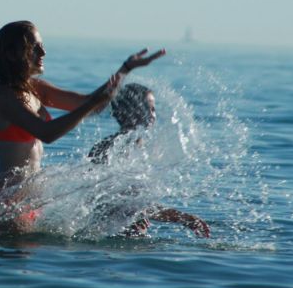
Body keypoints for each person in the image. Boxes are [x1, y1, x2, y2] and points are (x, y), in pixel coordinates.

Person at [0, 20, 165, 231]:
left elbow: (91, 104)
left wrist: (125, 69)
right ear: (12, 54)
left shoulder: (35, 88)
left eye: (42, 46)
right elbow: (47, 133)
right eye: (34, 47)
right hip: (5, 203)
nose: (43, 52)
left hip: (28, 202)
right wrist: (93, 103)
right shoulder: (2, 96)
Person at [88, 83, 211, 238]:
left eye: (153, 109)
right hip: (108, 235)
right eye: (148, 108)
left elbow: (133, 204)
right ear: (130, 111)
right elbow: (106, 201)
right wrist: (183, 218)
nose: (152, 115)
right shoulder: (110, 149)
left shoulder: (143, 150)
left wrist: (141, 214)